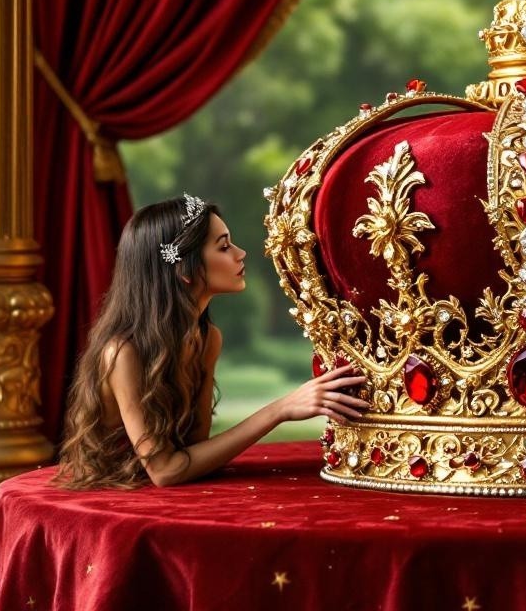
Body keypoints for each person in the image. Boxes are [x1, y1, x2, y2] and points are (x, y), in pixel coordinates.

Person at [56, 194, 367, 489]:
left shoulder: (204, 338)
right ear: (184, 269)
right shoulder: (123, 352)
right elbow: (164, 471)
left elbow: (195, 449)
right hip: (116, 493)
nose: (241, 253)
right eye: (223, 247)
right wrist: (281, 409)